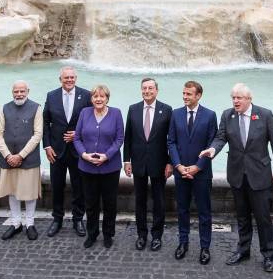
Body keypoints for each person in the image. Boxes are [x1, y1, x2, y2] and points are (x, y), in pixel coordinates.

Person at [201, 83, 273, 273]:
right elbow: (221, 137)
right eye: (233, 97)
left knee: (263, 218)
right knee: (242, 216)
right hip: (237, 174)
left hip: (260, 175)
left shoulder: (265, 115)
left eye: (239, 98)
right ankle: (243, 249)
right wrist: (213, 149)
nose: (235, 101)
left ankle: (268, 254)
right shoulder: (227, 115)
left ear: (249, 99)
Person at [167, 80, 217, 265]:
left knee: (204, 212)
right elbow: (171, 142)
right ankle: (183, 242)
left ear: (198, 96)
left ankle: (205, 247)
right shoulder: (175, 114)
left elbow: (212, 145)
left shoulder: (210, 115)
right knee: (182, 210)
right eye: (184, 93)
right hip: (181, 172)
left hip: (201, 173)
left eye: (189, 94)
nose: (185, 97)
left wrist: (197, 167)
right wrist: (178, 166)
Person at [123, 77, 173, 251]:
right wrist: (126, 160)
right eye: (144, 88)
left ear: (156, 91)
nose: (147, 91)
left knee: (159, 201)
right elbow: (127, 136)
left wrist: (170, 163)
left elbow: (171, 140)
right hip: (138, 163)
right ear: (141, 90)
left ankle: (157, 236)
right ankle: (142, 235)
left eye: (150, 88)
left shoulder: (166, 110)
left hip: (159, 163)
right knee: (140, 201)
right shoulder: (133, 109)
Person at [43, 66, 91, 238]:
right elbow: (45, 123)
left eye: (72, 77)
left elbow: (92, 122)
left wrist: (79, 134)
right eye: (66, 78)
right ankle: (57, 219)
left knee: (79, 187)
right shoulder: (51, 95)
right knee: (57, 186)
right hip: (56, 151)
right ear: (60, 79)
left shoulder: (86, 95)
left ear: (76, 78)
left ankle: (78, 219)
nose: (69, 80)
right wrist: (47, 146)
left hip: (79, 150)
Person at [74, 84, 124, 249]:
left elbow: (119, 139)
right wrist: (84, 155)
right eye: (96, 96)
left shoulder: (116, 113)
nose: (99, 99)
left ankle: (108, 234)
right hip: (87, 167)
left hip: (110, 167)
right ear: (92, 99)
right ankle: (92, 233)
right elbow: (77, 138)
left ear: (107, 98)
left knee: (110, 203)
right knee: (91, 203)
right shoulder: (84, 113)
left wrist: (106, 156)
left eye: (102, 96)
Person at [0, 80, 43, 241]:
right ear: (12, 92)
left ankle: (30, 224)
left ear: (27, 91)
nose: (19, 94)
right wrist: (8, 155)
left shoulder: (36, 108)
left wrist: (20, 155)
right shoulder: (4, 108)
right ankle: (16, 223)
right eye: (16, 91)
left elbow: (37, 135)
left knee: (29, 193)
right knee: (12, 191)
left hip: (28, 158)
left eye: (22, 91)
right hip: (8, 159)